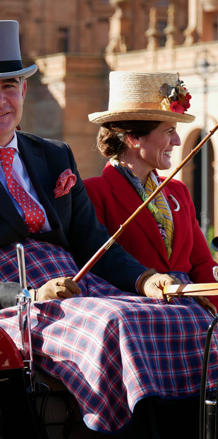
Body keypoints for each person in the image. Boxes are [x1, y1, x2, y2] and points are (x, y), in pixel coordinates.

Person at [0, 21, 217, 439]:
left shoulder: (53, 154)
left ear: (24, 91)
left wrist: (145, 280)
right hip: (9, 303)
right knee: (114, 323)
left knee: (190, 316)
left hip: (77, 285)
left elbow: (93, 242)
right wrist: (28, 294)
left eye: (9, 86)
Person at [84, 70, 218, 309]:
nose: (177, 141)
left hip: (193, 315)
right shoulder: (94, 192)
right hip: (137, 315)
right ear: (134, 137)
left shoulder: (177, 190)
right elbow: (100, 268)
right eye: (169, 131)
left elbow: (202, 264)